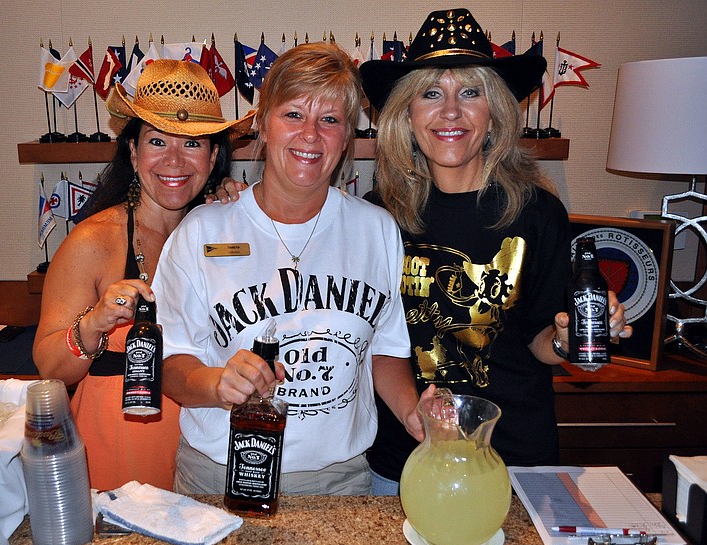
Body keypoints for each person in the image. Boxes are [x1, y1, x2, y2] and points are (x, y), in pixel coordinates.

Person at [358, 8, 632, 494]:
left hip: (515, 463)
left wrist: (573, 342)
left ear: (495, 111)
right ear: (407, 112)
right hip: (405, 461)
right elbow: (379, 345)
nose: (449, 112)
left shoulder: (538, 213)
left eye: (470, 92)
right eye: (430, 93)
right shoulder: (376, 216)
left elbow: (542, 340)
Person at [151, 42, 427, 496]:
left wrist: (414, 414)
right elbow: (170, 362)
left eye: (330, 120)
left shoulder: (376, 228)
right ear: (262, 123)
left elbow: (386, 349)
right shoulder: (202, 230)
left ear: (348, 138)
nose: (311, 135)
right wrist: (219, 384)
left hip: (338, 481)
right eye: (294, 114)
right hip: (220, 474)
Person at [32, 59, 253, 492]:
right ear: (133, 153)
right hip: (121, 441)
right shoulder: (93, 241)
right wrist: (94, 322)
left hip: (209, 440)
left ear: (213, 158)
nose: (174, 160)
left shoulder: (226, 229)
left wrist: (244, 215)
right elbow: (48, 367)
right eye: (157, 142)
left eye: (192, 144)